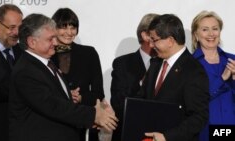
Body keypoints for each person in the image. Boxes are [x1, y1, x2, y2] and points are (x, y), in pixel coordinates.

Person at [8, 13, 118, 141]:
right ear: (32, 42)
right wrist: (93, 115)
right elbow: (53, 106)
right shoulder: (26, 71)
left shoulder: (46, 64)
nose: (55, 42)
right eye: (50, 39)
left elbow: (55, 100)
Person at [139, 14, 209, 141]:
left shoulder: (194, 70)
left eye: (154, 40)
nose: (151, 45)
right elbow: (142, 100)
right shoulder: (155, 64)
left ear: (170, 41)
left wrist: (167, 137)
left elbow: (199, 117)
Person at [50, 7, 106, 141]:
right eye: (63, 27)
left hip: (84, 127)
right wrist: (66, 94)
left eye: (73, 27)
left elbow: (99, 93)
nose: (69, 32)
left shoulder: (89, 53)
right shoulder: (47, 54)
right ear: (54, 29)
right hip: (54, 125)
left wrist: (80, 98)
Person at [110, 13, 158, 141]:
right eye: (160, 33)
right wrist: (142, 84)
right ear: (146, 35)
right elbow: (118, 103)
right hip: (129, 134)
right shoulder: (122, 63)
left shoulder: (167, 64)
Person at [191, 11, 235, 141]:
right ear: (196, 35)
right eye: (205, 29)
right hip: (204, 132)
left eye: (215, 29)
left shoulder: (232, 60)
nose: (211, 34)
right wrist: (222, 78)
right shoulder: (190, 64)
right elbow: (195, 100)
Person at [0, 4, 23, 141]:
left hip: (21, 131)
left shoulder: (23, 52)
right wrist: (23, 82)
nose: (17, 33)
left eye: (20, 27)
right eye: (12, 27)